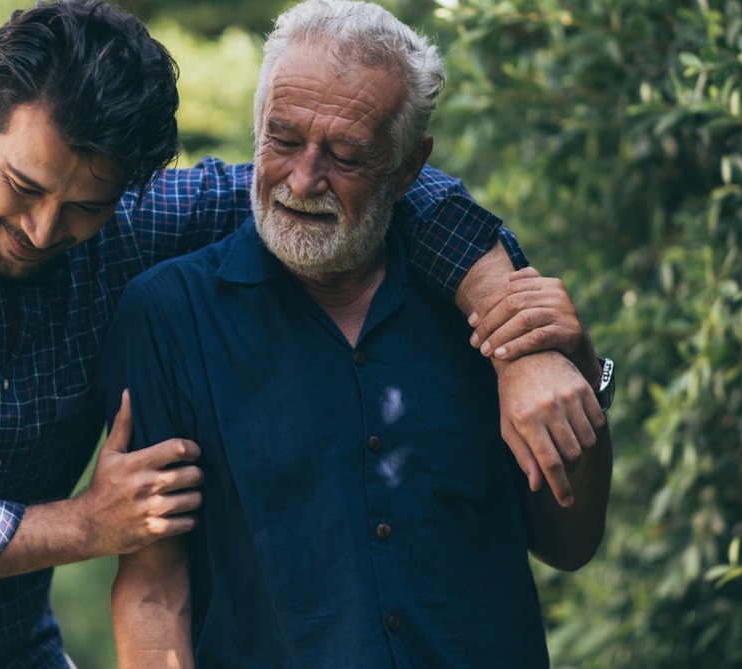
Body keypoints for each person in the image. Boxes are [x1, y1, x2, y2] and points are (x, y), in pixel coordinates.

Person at [0, 1, 599, 667]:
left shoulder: (129, 221)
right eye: (26, 187)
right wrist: (82, 523)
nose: (44, 231)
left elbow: (366, 187)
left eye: (82, 206)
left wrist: (517, 334)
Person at [98, 1, 614, 667]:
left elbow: (569, 543)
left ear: (407, 169)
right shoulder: (168, 315)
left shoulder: (487, 304)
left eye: (345, 154)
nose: (305, 179)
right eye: (282, 140)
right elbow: (153, 587)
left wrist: (576, 367)